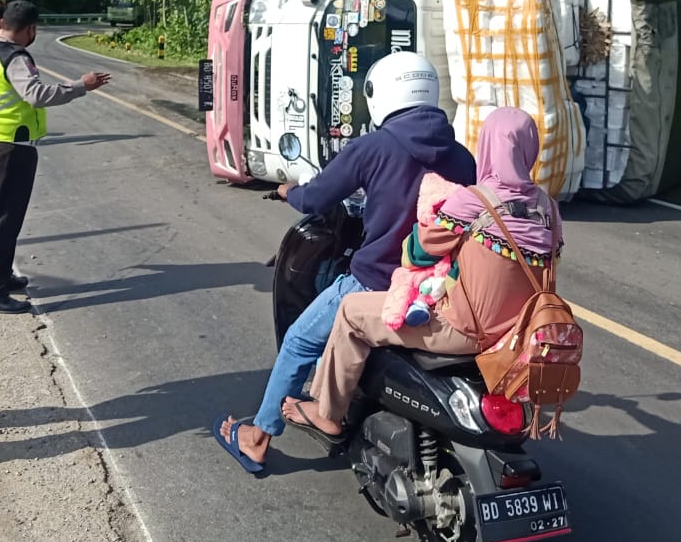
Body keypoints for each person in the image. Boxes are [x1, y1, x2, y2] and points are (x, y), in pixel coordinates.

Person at [213, 51, 476, 473]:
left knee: (300, 340)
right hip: (437, 287)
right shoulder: (462, 157)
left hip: (376, 281)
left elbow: (316, 197)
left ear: (382, 94)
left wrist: (288, 193)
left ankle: (258, 437)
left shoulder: (373, 147)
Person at [280, 107, 565, 444]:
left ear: (487, 145)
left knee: (351, 311)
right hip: (516, 334)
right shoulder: (548, 208)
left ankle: (326, 413)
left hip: (462, 329)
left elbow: (417, 251)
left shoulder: (473, 202)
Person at [0, 0, 110, 313]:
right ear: (30, 29)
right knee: (6, 218)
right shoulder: (15, 57)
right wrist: (80, 86)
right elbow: (36, 94)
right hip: (13, 147)